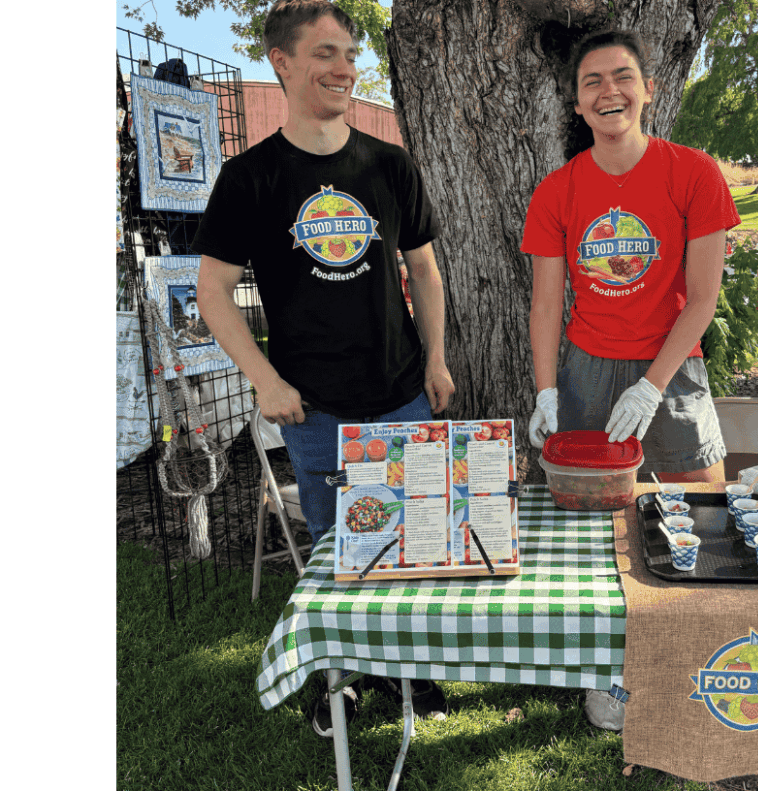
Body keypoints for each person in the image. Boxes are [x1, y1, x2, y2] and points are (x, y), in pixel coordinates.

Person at [192, 0, 453, 735]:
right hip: (314, 408)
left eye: (350, 55)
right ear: (281, 62)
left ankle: (407, 668)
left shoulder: (389, 164)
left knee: (413, 542)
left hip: (403, 393)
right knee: (340, 553)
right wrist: (264, 379)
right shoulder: (250, 177)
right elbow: (212, 292)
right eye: (325, 53)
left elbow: (425, 271)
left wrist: (436, 358)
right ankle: (338, 680)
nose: (344, 69)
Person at [520, 30, 742, 728]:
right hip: (586, 368)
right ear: (576, 102)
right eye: (591, 81)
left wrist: (652, 385)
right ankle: (611, 670)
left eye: (622, 76)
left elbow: (701, 299)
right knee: (595, 528)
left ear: (649, 88)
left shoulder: (693, 173)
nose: (608, 91)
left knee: (701, 514)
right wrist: (547, 389)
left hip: (672, 366)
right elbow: (546, 304)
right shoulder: (558, 189)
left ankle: (699, 654)